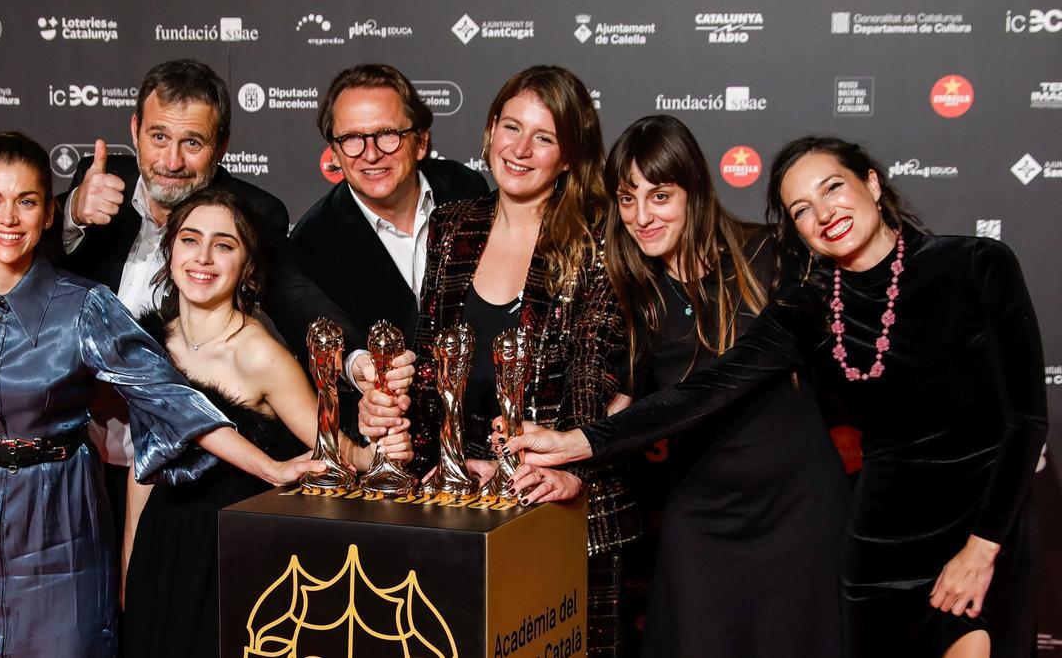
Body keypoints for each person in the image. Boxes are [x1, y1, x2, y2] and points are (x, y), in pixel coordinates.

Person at [504, 136, 1047, 658]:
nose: (824, 213)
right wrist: (577, 441)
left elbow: (1025, 420)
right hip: (880, 545)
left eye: (833, 188)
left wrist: (983, 547)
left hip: (980, 524)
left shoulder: (978, 265)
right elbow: (704, 390)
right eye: (801, 209)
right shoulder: (809, 307)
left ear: (873, 184)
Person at [0, 132, 322, 658]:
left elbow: (171, 400)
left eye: (27, 201)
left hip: (61, 522)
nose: (8, 219)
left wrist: (271, 468)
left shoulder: (87, 307)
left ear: (49, 213)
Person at [360, 65, 639, 657]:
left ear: (567, 156)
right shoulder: (454, 227)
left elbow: (599, 388)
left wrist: (527, 472)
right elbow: (436, 369)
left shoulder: (598, 239)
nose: (520, 148)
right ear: (488, 132)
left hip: (561, 518)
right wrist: (410, 427)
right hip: (458, 515)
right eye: (511, 127)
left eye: (544, 137)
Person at [50, 58, 352, 583]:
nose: (171, 160)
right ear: (134, 132)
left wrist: (351, 359)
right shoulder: (98, 186)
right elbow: (15, 231)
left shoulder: (254, 211)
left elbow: (295, 296)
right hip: (84, 459)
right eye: (158, 136)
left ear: (223, 144)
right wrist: (72, 211)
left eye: (193, 142)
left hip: (190, 481)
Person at [123, 187, 412, 658]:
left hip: (232, 554)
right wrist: (131, 560)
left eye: (224, 245)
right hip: (164, 549)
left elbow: (334, 449)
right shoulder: (151, 343)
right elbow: (145, 463)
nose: (204, 258)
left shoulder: (260, 354)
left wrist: (379, 449)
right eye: (191, 240)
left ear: (247, 266)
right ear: (170, 250)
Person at [599, 116, 846, 657]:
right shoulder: (635, 293)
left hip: (799, 508)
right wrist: (569, 445)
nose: (641, 217)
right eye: (626, 199)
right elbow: (628, 400)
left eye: (659, 195)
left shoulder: (770, 255)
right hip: (702, 515)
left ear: (694, 190)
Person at [285, 63, 488, 431]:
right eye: (352, 139)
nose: (371, 154)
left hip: (485, 423)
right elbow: (324, 333)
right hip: (394, 436)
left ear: (421, 141)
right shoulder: (313, 240)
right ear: (334, 150)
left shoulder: (466, 189)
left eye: (387, 134)